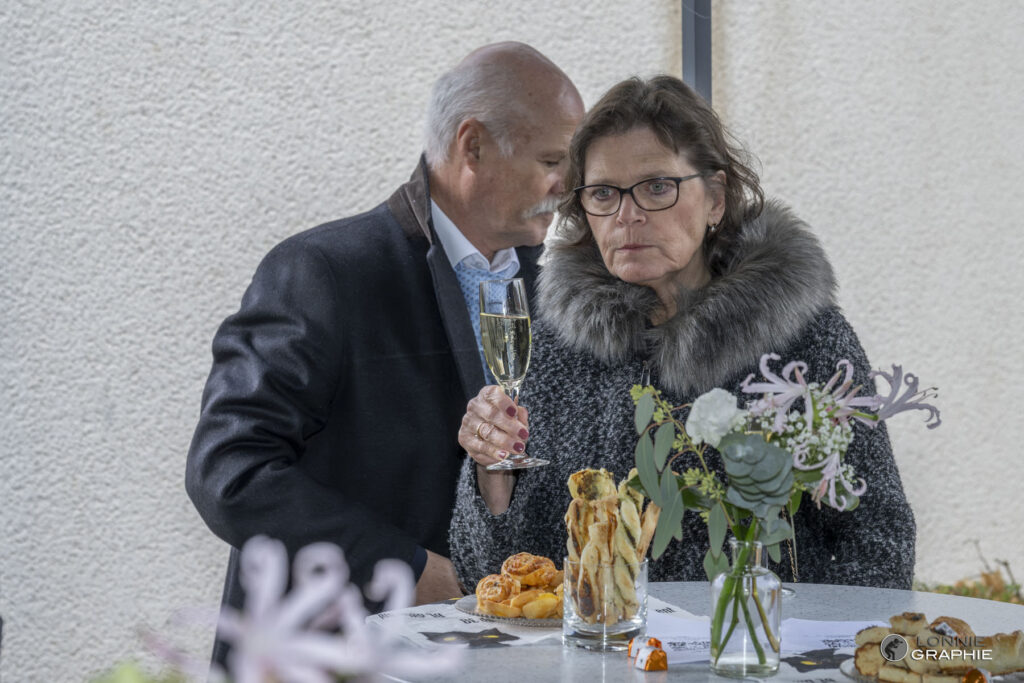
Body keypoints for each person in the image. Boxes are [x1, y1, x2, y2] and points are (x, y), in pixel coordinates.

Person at [185, 41, 584, 663]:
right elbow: (229, 472)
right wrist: (404, 568)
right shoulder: (322, 272)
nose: (570, 187)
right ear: (473, 146)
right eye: (553, 161)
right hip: (330, 658)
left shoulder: (559, 289)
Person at [449, 75, 916, 591]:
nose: (627, 216)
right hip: (598, 645)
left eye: (657, 187)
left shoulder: (804, 341)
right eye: (603, 193)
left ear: (715, 198)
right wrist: (493, 474)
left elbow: (881, 545)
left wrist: (779, 630)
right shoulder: (557, 346)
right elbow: (490, 576)